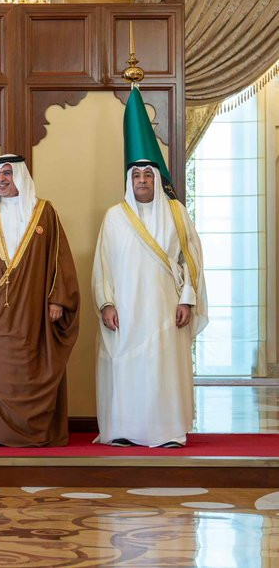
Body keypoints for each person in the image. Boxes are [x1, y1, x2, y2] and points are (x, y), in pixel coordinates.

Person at [0, 154, 80, 447]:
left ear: (20, 176)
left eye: (7, 173)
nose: (1, 179)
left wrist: (57, 299)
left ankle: (34, 432)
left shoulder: (44, 212)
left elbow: (60, 257)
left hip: (33, 312)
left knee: (31, 365)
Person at [92, 160, 207, 448]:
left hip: (165, 306)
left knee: (163, 368)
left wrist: (187, 300)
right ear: (129, 182)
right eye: (136, 176)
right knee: (126, 366)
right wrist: (106, 303)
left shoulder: (176, 213)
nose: (142, 180)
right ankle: (124, 429)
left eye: (147, 175)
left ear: (157, 179)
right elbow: (103, 264)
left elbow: (191, 261)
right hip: (126, 308)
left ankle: (168, 431)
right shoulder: (114, 217)